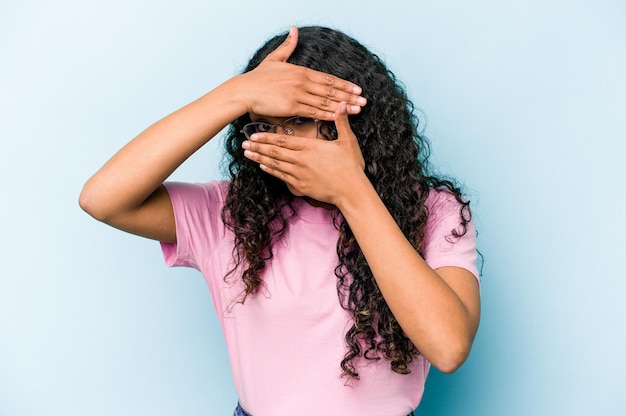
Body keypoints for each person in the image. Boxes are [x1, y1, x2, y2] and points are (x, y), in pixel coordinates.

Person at [80, 25, 480, 416]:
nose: (282, 141)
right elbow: (103, 199)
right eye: (267, 126)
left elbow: (448, 347)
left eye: (300, 121)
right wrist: (237, 92)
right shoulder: (231, 214)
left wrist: (352, 192)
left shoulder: (434, 210)